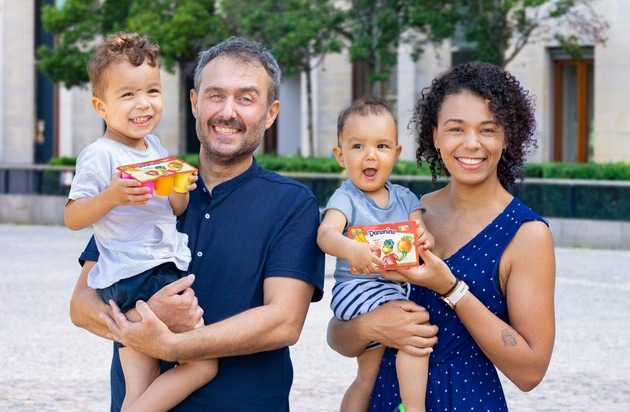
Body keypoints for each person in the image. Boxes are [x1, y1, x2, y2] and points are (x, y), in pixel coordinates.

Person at [69, 36, 325, 411]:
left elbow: (283, 322)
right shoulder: (140, 183)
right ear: (194, 102)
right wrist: (146, 313)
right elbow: (81, 305)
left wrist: (172, 345)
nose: (227, 111)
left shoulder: (291, 204)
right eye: (215, 95)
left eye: (246, 98)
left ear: (271, 113)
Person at [327, 61, 556, 411]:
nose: (471, 144)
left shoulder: (527, 235)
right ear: (435, 135)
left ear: (507, 136)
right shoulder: (411, 213)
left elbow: (530, 372)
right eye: (455, 129)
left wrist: (451, 289)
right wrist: (372, 327)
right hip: (388, 398)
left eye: (488, 130)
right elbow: (338, 335)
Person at [65, 32, 216, 412]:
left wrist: (181, 186)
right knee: (203, 363)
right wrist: (111, 197)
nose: (143, 104)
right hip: (141, 275)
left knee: (139, 383)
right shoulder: (99, 156)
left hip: (146, 270)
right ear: (100, 106)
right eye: (127, 95)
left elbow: (176, 210)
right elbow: (72, 216)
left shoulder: (156, 149)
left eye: (152, 91)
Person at [317, 97, 433, 412]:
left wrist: (423, 236)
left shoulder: (406, 198)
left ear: (395, 154)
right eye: (358, 147)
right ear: (340, 156)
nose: (370, 155)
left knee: (366, 378)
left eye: (382, 146)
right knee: (416, 329)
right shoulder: (346, 198)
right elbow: (325, 234)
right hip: (356, 290)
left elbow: (422, 234)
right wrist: (350, 248)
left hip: (390, 288)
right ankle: (414, 407)